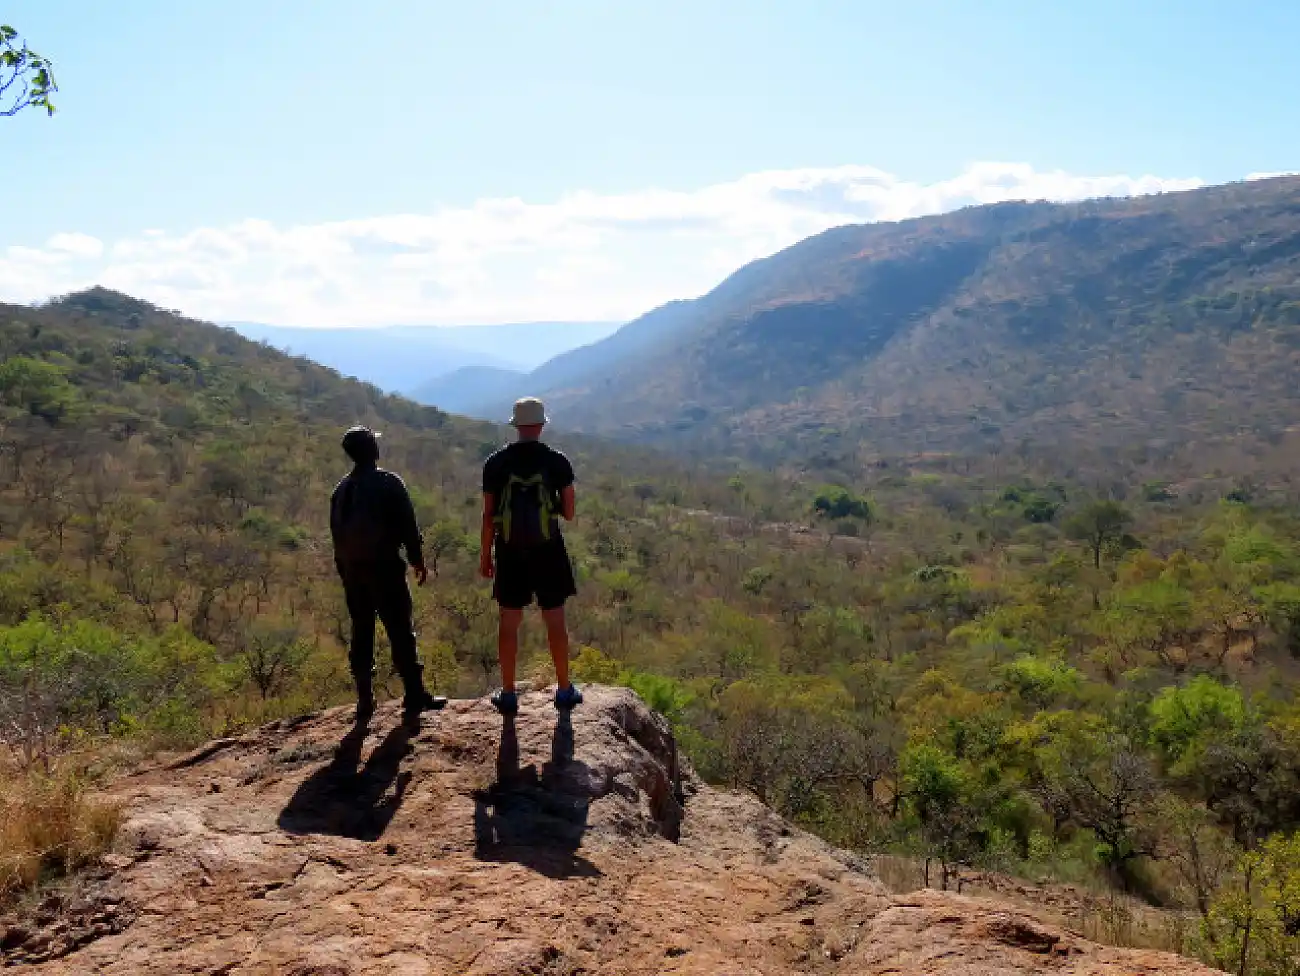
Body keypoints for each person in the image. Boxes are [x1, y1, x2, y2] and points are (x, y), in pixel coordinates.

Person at [330, 425, 447, 721]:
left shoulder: (341, 490)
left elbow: (336, 535)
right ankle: (414, 694)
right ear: (373, 450)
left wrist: (345, 572)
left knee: (362, 630)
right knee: (400, 630)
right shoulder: (388, 482)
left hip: (352, 573)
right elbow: (408, 525)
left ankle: (365, 700)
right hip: (384, 568)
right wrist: (418, 560)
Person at [479, 397, 582, 715]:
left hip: (509, 549)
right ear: (540, 425)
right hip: (548, 548)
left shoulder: (495, 463)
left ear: (517, 425)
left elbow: (488, 515)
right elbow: (569, 512)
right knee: (555, 619)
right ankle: (564, 689)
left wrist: (485, 556)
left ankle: (508, 693)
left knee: (509, 622)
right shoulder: (557, 461)